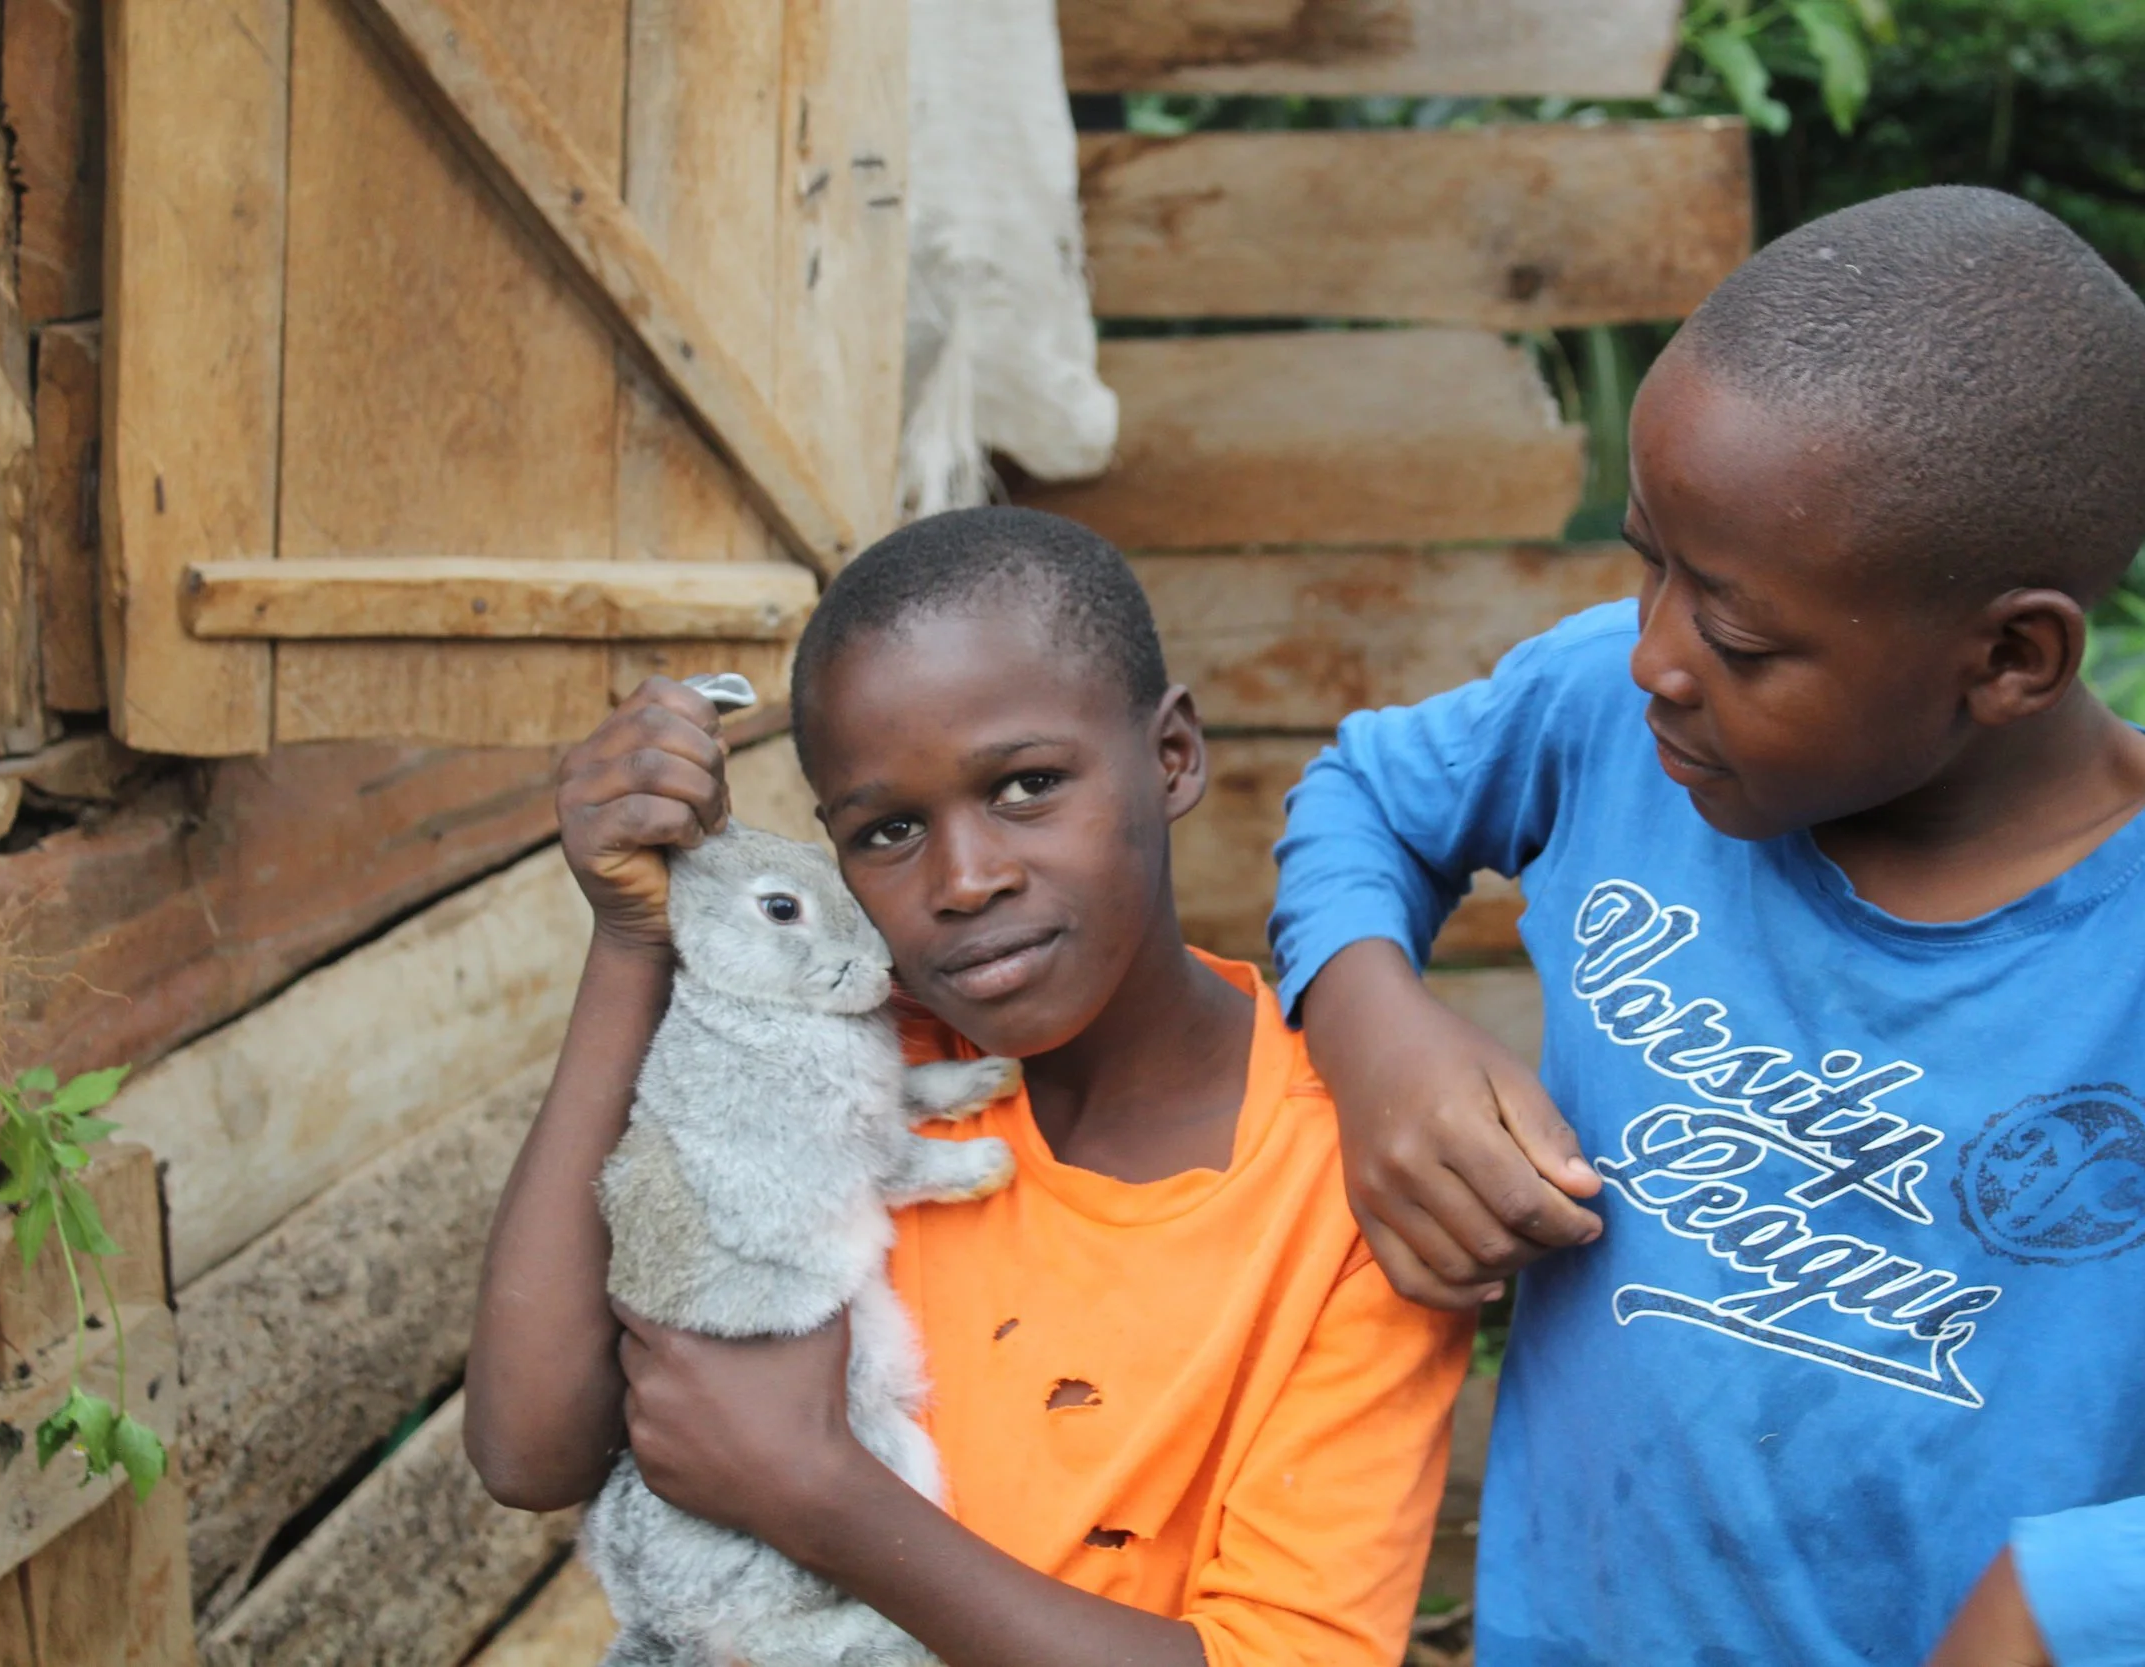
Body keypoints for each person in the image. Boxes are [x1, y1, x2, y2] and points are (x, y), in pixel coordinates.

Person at [1271, 186, 2145, 1666]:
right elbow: (1368, 797)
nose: (1654, 655)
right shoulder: (1610, 715)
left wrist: (2095, 1602)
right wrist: (1371, 1023)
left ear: (2010, 656)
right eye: (1646, 561)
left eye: (1737, 635)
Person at [463, 507, 1473, 1667]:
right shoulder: (834, 1056)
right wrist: (635, 937)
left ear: (1171, 756)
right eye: (888, 828)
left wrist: (819, 1491)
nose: (965, 877)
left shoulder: (1348, 1181)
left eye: (1027, 785)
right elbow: (528, 1450)